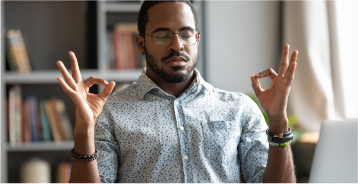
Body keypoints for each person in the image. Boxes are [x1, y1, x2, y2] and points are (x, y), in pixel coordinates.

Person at [56, 0, 297, 183]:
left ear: (197, 39)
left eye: (185, 33)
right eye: (162, 35)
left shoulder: (240, 108)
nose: (176, 45)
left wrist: (277, 121)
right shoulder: (110, 113)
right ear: (141, 43)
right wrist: (84, 130)